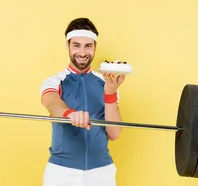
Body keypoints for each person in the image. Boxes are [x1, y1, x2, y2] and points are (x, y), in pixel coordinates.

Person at [40, 17, 126, 186]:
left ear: (95, 47)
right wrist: (69, 114)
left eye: (88, 46)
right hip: (61, 172)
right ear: (67, 46)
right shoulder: (55, 81)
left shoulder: (107, 82)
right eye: (76, 45)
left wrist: (110, 93)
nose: (82, 52)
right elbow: (51, 103)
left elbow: (114, 133)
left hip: (102, 172)